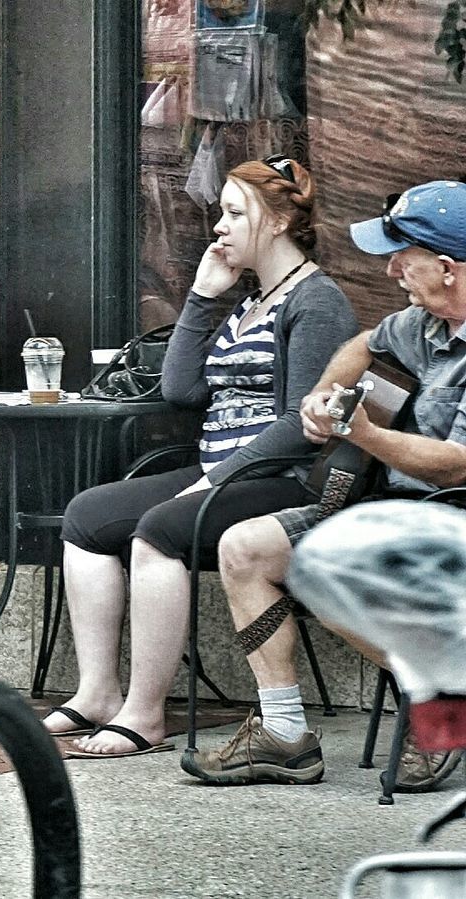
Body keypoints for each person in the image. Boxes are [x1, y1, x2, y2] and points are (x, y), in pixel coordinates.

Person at [44, 156, 359, 758]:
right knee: (86, 516)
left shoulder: (316, 303)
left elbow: (302, 425)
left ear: (277, 222)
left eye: (235, 213)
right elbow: (181, 391)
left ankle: (145, 712)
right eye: (221, 212)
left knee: (160, 529)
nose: (219, 226)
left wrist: (215, 479)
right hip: (222, 470)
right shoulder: (250, 302)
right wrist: (199, 297)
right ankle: (97, 694)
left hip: (283, 481)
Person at [185, 179, 466, 787]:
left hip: (451, 520)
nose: (390, 269)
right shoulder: (422, 322)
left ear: (446, 268)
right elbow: (362, 345)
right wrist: (322, 396)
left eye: (402, 256)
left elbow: (456, 465)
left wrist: (363, 434)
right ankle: (285, 732)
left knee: (335, 567)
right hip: (390, 509)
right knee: (244, 547)